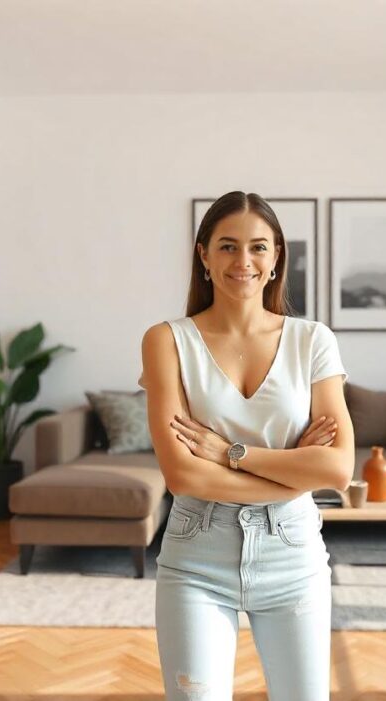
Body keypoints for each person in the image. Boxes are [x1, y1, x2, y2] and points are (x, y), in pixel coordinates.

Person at [139, 191, 354, 700]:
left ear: (277, 256)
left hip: (293, 558)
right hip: (196, 558)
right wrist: (292, 468)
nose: (244, 261)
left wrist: (229, 453)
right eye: (228, 246)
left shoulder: (313, 340)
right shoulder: (166, 340)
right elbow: (182, 476)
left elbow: (338, 468)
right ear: (204, 255)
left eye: (258, 247)